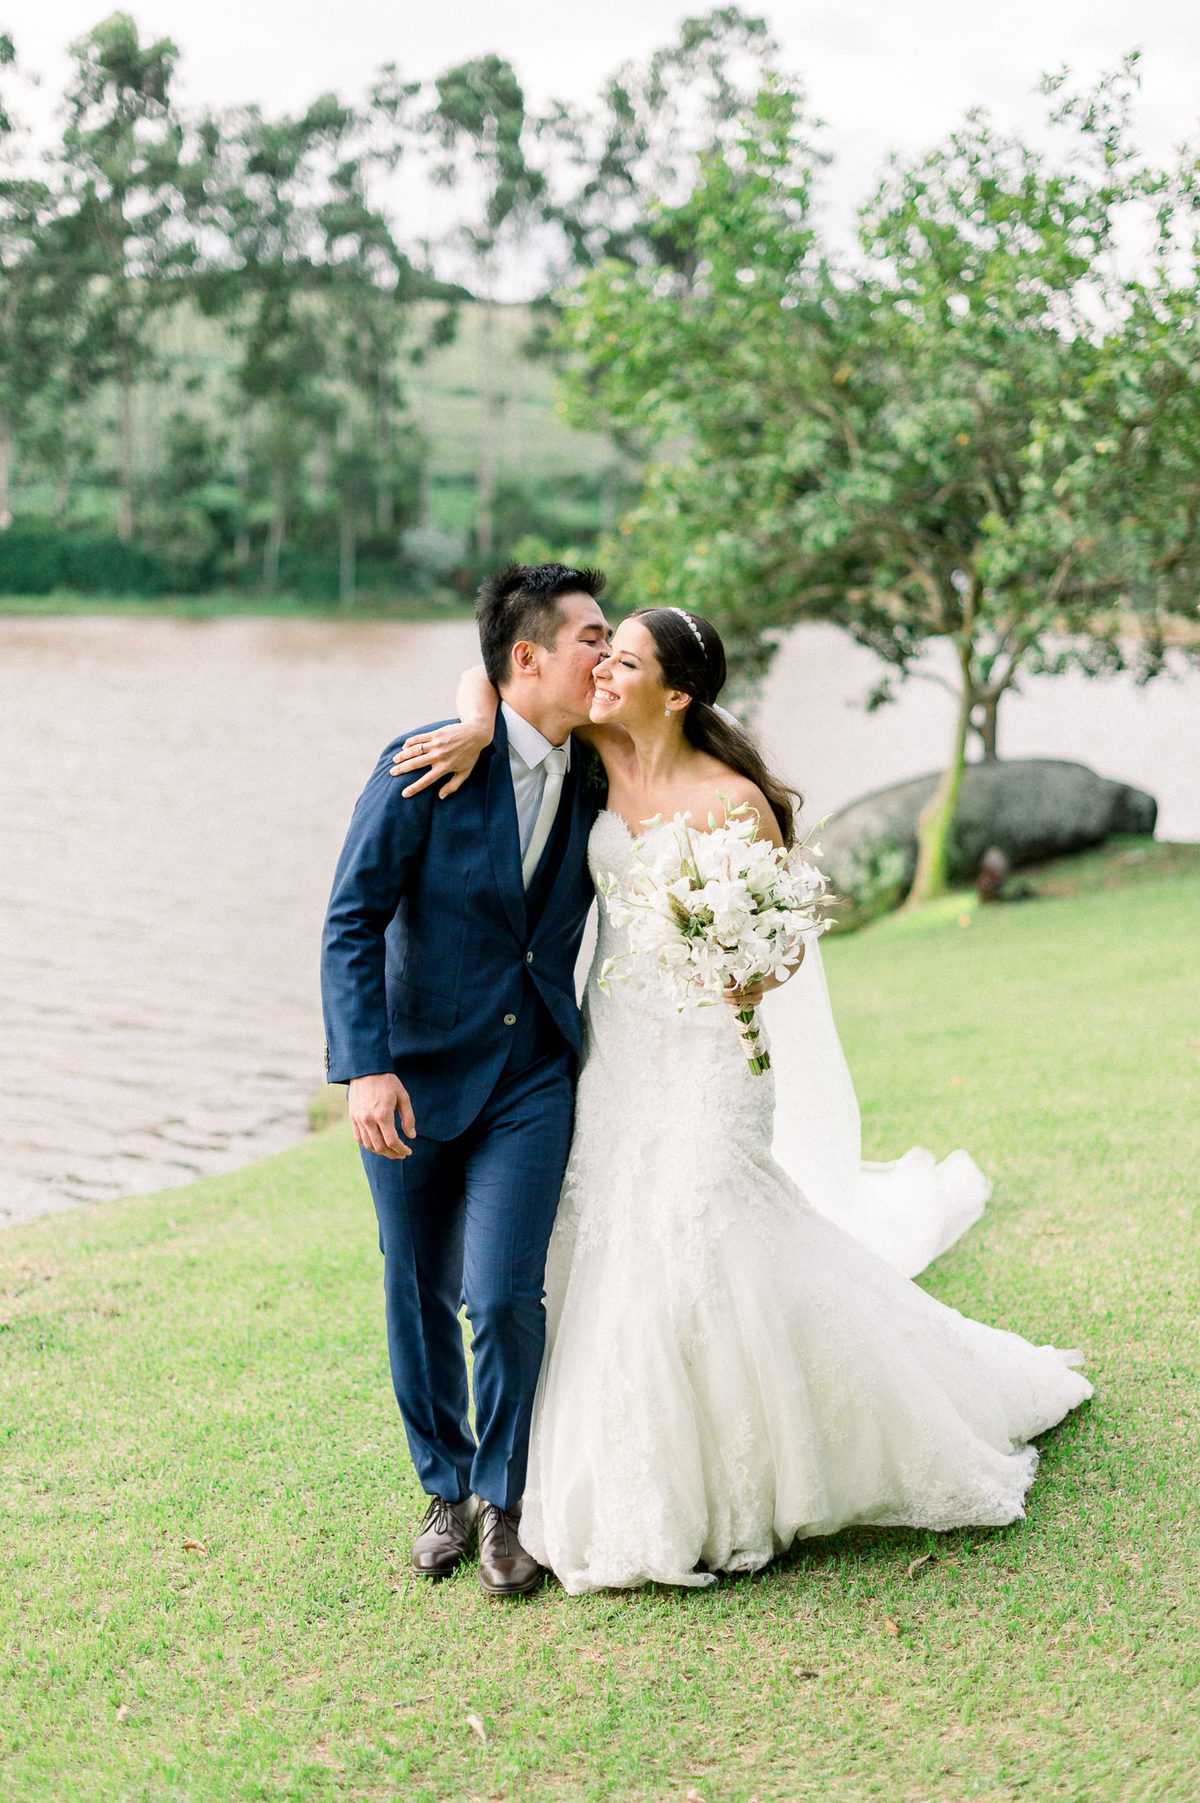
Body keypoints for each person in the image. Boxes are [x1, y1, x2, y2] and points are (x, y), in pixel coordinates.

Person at [391, 604, 1092, 1593]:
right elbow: (500, 683)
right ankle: (593, 1473)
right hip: (618, 1048)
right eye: (602, 654)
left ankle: (756, 1473)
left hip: (712, 1054)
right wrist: (472, 723)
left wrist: (744, 967)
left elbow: (783, 944)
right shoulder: (592, 751)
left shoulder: (736, 802)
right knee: (607, 1236)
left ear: (676, 694)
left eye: (623, 661)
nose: (601, 671)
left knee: (706, 1219)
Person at [320, 562, 611, 1596]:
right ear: (526, 656)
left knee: (501, 1294)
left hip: (532, 1073)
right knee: (417, 1286)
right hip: (410, 1073)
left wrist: (485, 709)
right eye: (591, 638)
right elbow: (351, 920)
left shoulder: (597, 765)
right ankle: (442, 1486)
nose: (607, 653)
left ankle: (504, 1502)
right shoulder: (425, 761)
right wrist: (365, 1068)